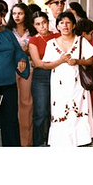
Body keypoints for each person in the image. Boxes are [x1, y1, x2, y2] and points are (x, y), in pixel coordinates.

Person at [42, 11, 93, 146]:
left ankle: (81, 141)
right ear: (58, 26)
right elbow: (45, 65)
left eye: (68, 22)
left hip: (78, 84)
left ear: (73, 25)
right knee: (61, 111)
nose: (65, 26)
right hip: (59, 84)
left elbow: (91, 61)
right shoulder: (51, 43)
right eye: (62, 23)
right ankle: (62, 142)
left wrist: (78, 61)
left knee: (78, 112)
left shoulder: (81, 41)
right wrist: (60, 61)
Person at [0, 1, 30, 146]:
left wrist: (21, 60)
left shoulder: (8, 33)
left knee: (11, 121)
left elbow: (19, 52)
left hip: (9, 86)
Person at [7, 2, 37, 146]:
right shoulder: (7, 30)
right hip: (10, 70)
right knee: (11, 105)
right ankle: (13, 141)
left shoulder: (32, 31)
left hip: (28, 70)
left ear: (26, 14)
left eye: (20, 13)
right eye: (14, 13)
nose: (17, 16)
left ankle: (26, 143)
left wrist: (26, 51)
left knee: (26, 104)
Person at [28, 11, 60, 146]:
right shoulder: (33, 40)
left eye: (44, 22)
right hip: (41, 77)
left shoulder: (57, 36)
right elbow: (38, 63)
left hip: (59, 75)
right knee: (41, 112)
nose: (42, 26)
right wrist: (60, 61)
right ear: (34, 26)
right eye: (38, 24)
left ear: (48, 22)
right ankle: (39, 143)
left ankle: (54, 141)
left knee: (56, 110)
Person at [74, 18, 93, 130]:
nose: (92, 36)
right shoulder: (76, 43)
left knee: (91, 106)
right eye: (90, 34)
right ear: (83, 34)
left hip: (92, 77)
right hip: (83, 77)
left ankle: (89, 129)